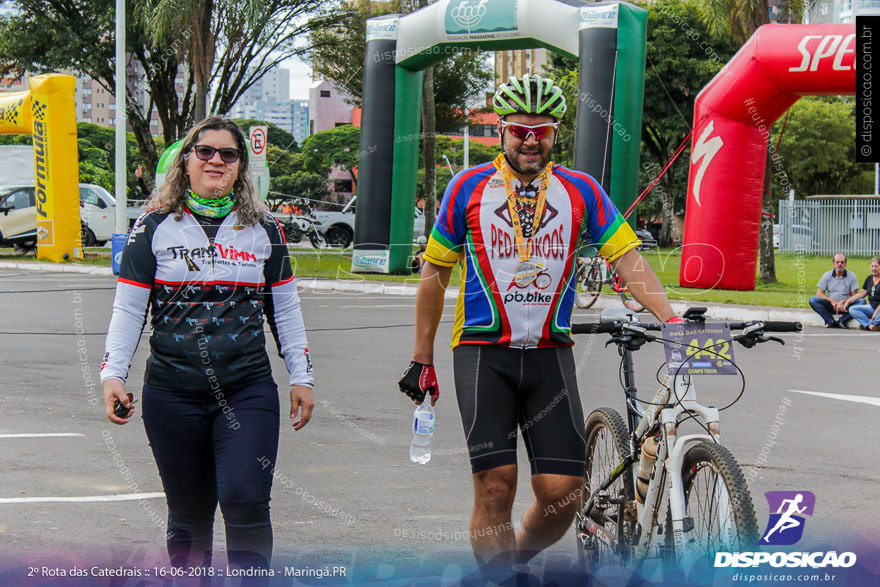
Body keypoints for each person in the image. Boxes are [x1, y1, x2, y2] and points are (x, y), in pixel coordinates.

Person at [398, 74, 679, 573]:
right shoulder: (466, 188)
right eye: (519, 131)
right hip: (483, 354)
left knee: (562, 494)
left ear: (556, 133)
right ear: (502, 131)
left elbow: (628, 259)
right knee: (495, 483)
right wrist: (422, 357)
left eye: (542, 130)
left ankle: (512, 564)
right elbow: (435, 275)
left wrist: (672, 318)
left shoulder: (581, 190)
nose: (531, 140)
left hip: (551, 352)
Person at [100, 116, 315, 571]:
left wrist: (302, 375)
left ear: (241, 166)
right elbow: (129, 309)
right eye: (205, 152)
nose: (216, 160)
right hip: (172, 392)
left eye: (228, 154)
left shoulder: (266, 230)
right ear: (187, 162)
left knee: (246, 500)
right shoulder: (154, 226)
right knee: (189, 515)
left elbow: (286, 309)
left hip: (246, 388)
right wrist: (112, 374)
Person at [808, 253, 862, 328]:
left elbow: (855, 296)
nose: (840, 264)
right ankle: (830, 321)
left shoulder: (852, 276)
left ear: (845, 264)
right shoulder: (827, 275)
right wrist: (831, 300)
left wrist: (843, 302)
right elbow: (819, 293)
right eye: (837, 262)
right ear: (833, 263)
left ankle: (842, 321)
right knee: (812, 300)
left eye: (842, 262)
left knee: (861, 302)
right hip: (831, 305)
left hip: (845, 306)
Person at [842, 257, 880, 330]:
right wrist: (848, 301)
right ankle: (870, 325)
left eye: (876, 266)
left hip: (879, 309)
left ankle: (871, 324)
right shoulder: (869, 278)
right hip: (872, 307)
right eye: (872, 266)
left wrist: (876, 312)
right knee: (853, 309)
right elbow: (862, 293)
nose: (874, 268)